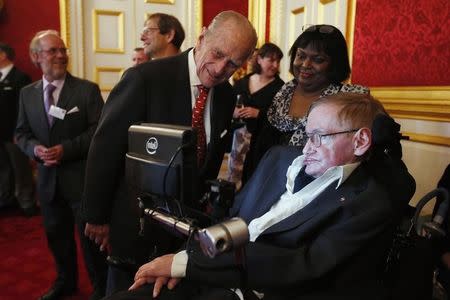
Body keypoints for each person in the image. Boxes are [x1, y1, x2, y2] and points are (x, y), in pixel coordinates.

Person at [105, 92, 416, 300]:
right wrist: (193, 259)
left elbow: (301, 265)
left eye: (319, 138)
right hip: (212, 270)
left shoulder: (369, 200)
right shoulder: (280, 157)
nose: (307, 148)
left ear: (361, 140)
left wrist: (185, 264)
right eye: (307, 135)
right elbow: (235, 221)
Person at [82, 10, 257, 296]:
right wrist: (96, 216)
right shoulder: (145, 78)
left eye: (233, 64)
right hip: (132, 222)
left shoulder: (225, 94)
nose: (219, 69)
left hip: (181, 229)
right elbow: (105, 147)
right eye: (217, 54)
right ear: (201, 38)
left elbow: (207, 162)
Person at [15, 30, 107, 300]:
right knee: (57, 239)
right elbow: (21, 133)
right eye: (52, 51)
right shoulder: (26, 94)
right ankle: (65, 282)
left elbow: (98, 132)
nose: (60, 56)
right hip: (47, 183)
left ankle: (101, 289)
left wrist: (65, 150)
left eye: (62, 50)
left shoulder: (86, 90)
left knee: (91, 244)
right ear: (36, 57)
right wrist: (34, 149)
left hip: (80, 181)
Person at [253, 24, 369, 167]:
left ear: (334, 64)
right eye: (301, 56)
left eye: (318, 60)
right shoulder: (281, 92)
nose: (305, 64)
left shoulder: (349, 100)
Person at [227, 43, 284, 189]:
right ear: (259, 59)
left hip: (262, 143)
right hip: (238, 140)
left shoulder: (281, 88)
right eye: (271, 60)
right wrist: (232, 111)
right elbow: (226, 106)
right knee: (233, 178)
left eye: (278, 61)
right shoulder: (242, 82)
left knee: (254, 180)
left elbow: (282, 118)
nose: (275, 65)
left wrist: (259, 113)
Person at [0, 42, 35, 215]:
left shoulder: (20, 78)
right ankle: (6, 200)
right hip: (0, 134)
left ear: (3, 55)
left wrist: (20, 132)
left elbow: (24, 109)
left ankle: (26, 203)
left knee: (21, 170)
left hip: (15, 134)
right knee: (3, 169)